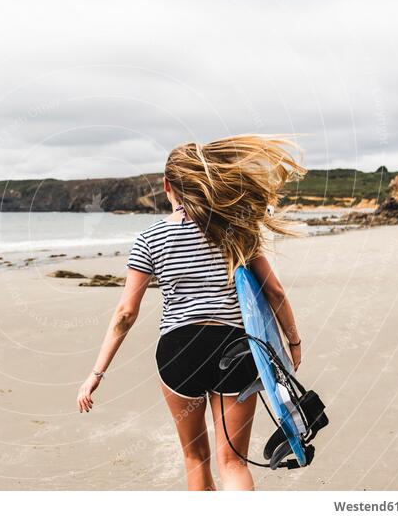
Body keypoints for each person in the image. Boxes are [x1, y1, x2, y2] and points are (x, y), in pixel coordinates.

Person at [76, 135, 306, 491]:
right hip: (235, 347)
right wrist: (292, 343)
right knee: (233, 462)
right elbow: (274, 292)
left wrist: (97, 372)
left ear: (167, 186)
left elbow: (125, 313)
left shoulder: (148, 239)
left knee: (195, 458)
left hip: (178, 352)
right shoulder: (235, 230)